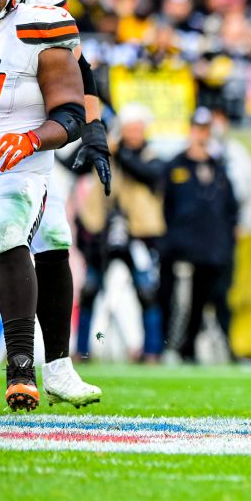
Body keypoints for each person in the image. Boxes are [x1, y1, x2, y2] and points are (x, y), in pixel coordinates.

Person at [0, 0, 109, 406]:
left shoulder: (43, 14)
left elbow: (79, 83)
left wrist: (95, 131)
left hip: (24, 147)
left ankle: (48, 367)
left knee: (48, 236)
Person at [74, 104, 167, 362]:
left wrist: (118, 150)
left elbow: (146, 173)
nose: (134, 134)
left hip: (139, 234)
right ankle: (82, 349)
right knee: (90, 290)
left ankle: (152, 351)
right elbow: (75, 167)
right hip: (102, 233)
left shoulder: (152, 156)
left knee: (147, 292)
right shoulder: (109, 153)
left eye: (137, 129)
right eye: (129, 129)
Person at [159, 107, 239, 363]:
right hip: (182, 251)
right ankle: (173, 348)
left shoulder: (218, 168)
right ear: (190, 130)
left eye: (205, 130)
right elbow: (164, 207)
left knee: (210, 302)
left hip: (212, 251)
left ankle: (195, 350)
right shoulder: (175, 166)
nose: (201, 135)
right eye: (198, 129)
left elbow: (230, 209)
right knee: (180, 303)